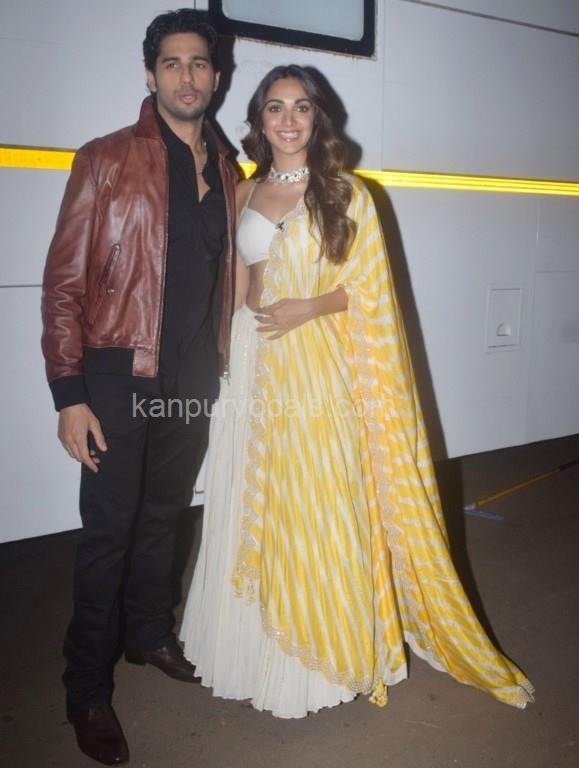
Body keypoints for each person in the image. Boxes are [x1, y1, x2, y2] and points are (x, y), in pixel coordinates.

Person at [180, 65, 534, 718]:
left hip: (318, 357)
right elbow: (237, 278)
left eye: (301, 107)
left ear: (318, 118)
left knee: (319, 494)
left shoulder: (347, 192)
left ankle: (324, 656)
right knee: (253, 496)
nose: (288, 120)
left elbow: (371, 289)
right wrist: (222, 354)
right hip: (254, 359)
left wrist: (309, 307)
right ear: (258, 120)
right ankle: (254, 653)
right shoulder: (244, 191)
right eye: (275, 107)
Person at [41, 10, 237, 764]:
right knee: (108, 534)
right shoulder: (104, 159)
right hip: (117, 374)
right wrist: (69, 394)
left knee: (165, 516)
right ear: (151, 73)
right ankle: (85, 689)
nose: (187, 76)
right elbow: (63, 283)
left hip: (191, 377)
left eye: (199, 63)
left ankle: (148, 633)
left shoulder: (228, 170)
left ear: (216, 76)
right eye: (172, 63)